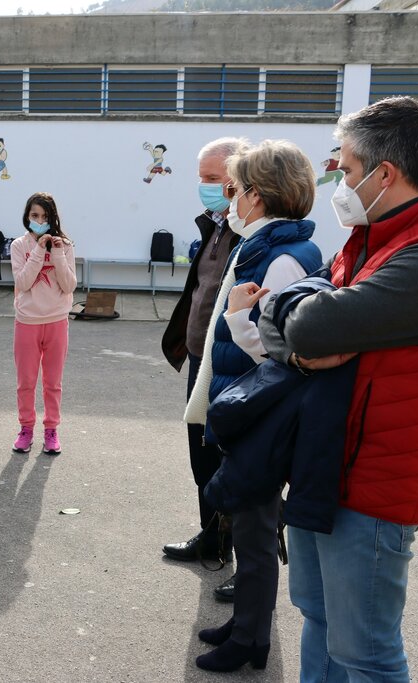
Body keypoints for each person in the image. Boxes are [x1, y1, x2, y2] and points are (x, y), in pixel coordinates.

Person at [258, 96, 418, 683]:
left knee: (366, 653)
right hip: (327, 469)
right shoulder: (372, 238)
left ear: (384, 174)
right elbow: (285, 316)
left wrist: (298, 321)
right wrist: (295, 329)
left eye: (345, 170)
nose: (339, 183)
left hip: (373, 488)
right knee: (318, 618)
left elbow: (314, 323)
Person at [184, 140, 323, 672]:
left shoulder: (284, 257)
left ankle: (251, 641)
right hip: (247, 405)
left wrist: (241, 318)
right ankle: (245, 625)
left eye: (235, 189)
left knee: (257, 534)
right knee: (248, 528)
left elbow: (281, 350)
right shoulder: (263, 243)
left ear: (259, 196)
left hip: (261, 410)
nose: (229, 199)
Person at [161, 138, 247, 600]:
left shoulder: (250, 233)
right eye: (202, 178)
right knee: (202, 454)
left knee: (236, 460)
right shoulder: (216, 225)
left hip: (231, 365)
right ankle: (212, 538)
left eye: (212, 180)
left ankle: (245, 560)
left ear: (238, 183)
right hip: (202, 359)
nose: (204, 187)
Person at [9, 192, 77, 455]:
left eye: (45, 217)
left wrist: (57, 254)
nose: (39, 221)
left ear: (53, 218)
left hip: (57, 320)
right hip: (27, 321)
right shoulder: (19, 246)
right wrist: (38, 250)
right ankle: (26, 428)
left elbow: (70, 285)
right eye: (35, 215)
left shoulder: (66, 246)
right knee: (26, 381)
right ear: (27, 216)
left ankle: (51, 430)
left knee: (53, 382)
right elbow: (23, 282)